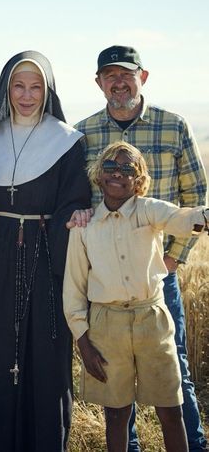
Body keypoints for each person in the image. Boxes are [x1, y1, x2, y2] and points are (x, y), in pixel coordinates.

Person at [0, 51, 91, 452]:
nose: (26, 95)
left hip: (44, 265)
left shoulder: (66, 141)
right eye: (18, 86)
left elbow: (73, 201)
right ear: (5, 88)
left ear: (47, 91)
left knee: (41, 361)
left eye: (35, 87)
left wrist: (76, 215)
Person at [74, 45, 208, 451]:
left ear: (142, 78)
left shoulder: (174, 126)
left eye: (126, 75)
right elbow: (76, 201)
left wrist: (172, 259)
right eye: (109, 75)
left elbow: (195, 194)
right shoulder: (82, 134)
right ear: (99, 83)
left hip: (156, 279)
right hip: (106, 284)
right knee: (116, 381)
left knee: (175, 371)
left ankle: (194, 445)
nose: (118, 82)